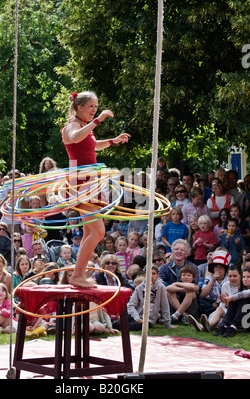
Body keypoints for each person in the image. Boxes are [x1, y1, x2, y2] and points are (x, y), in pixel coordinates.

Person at [61, 90, 130, 288]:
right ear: (79, 107)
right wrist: (98, 121)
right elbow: (74, 138)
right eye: (91, 106)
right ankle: (77, 275)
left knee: (88, 232)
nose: (94, 110)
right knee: (98, 232)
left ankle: (78, 274)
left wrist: (112, 141)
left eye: (96, 107)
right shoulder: (73, 126)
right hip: (81, 182)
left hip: (90, 180)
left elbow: (92, 146)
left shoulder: (85, 126)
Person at [113, 266, 172, 331]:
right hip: (135, 315)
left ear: (158, 275)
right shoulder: (139, 288)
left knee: (133, 326)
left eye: (154, 274)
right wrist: (137, 318)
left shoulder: (161, 287)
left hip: (148, 320)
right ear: (144, 276)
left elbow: (165, 305)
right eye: (149, 274)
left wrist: (168, 323)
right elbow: (131, 305)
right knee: (116, 324)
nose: (151, 276)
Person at [189, 265, 242, 332]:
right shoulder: (225, 285)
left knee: (220, 321)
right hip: (226, 310)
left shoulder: (243, 286)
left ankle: (203, 327)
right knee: (220, 309)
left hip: (238, 313)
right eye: (230, 276)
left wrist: (227, 302)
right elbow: (224, 305)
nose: (232, 278)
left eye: (235, 276)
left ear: (240, 275)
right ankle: (207, 325)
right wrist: (225, 302)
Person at [213, 265, 250, 337]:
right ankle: (225, 324)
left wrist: (230, 298)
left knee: (239, 298)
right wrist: (227, 302)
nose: (245, 279)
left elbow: (247, 293)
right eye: (244, 277)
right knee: (234, 299)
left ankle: (234, 326)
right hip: (243, 320)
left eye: (248, 277)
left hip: (246, 323)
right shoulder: (241, 289)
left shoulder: (244, 293)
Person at [198, 249, 229, 317]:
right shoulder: (209, 278)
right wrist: (213, 280)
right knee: (201, 300)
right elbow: (203, 294)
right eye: (216, 267)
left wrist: (217, 302)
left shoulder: (228, 279)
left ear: (225, 269)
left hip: (223, 302)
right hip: (210, 302)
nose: (218, 269)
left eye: (221, 267)